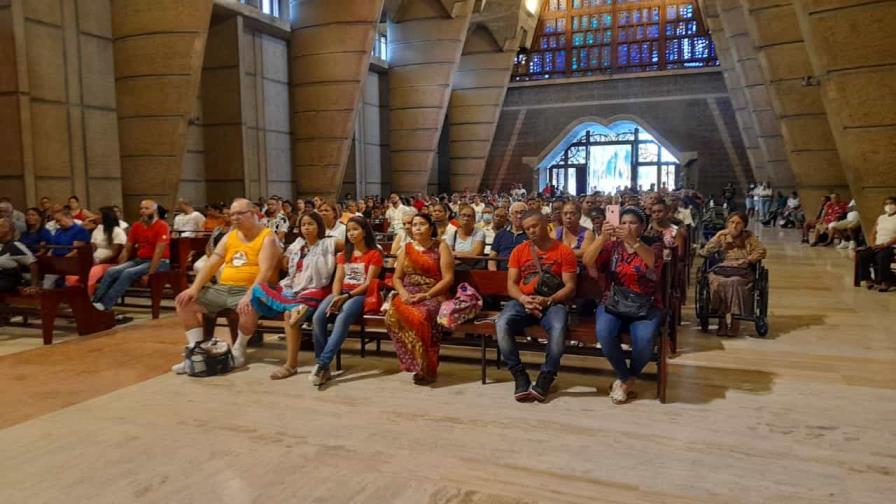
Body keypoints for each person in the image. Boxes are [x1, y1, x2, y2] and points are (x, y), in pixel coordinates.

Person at [172, 198, 281, 373]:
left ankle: (239, 347)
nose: (235, 218)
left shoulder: (267, 237)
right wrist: (194, 288)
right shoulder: (230, 236)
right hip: (223, 287)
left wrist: (249, 295)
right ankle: (196, 352)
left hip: (251, 288)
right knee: (184, 303)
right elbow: (212, 264)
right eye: (232, 214)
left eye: (240, 213)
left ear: (253, 214)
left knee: (248, 307)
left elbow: (265, 272)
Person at [583, 207, 664, 405]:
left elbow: (653, 263)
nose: (627, 226)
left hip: (645, 304)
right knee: (603, 332)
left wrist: (633, 242)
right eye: (624, 222)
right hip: (613, 301)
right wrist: (602, 237)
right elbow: (588, 261)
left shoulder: (654, 246)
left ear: (643, 227)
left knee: (644, 341)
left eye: (633, 223)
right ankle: (626, 378)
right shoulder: (612, 247)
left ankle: (627, 378)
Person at [494, 210, 577, 402]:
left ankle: (546, 376)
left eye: (535, 226)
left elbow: (571, 286)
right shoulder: (519, 250)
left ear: (545, 224)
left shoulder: (563, 251)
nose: (531, 230)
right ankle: (519, 375)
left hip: (552, 302)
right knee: (502, 322)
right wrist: (523, 299)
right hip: (524, 300)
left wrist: (550, 300)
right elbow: (511, 284)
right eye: (527, 228)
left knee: (558, 329)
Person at [257, 211, 338, 380]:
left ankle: (290, 365)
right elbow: (285, 259)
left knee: (290, 315)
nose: (307, 228)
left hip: (316, 290)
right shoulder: (298, 244)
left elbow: (354, 244)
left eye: (311, 224)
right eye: (304, 225)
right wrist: (285, 257)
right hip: (295, 287)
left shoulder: (328, 243)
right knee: (257, 291)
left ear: (319, 226)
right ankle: (291, 308)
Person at [310, 216, 383, 385]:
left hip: (359, 295)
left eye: (355, 229)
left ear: (365, 232)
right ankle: (323, 365)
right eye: (349, 230)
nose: (351, 233)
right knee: (318, 317)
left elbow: (368, 283)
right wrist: (336, 297)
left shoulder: (374, 253)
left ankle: (322, 363)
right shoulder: (344, 254)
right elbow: (338, 279)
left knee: (342, 318)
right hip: (341, 292)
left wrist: (346, 297)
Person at [385, 214, 454, 384]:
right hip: (408, 294)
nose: (416, 228)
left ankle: (427, 367)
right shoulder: (406, 249)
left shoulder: (441, 246)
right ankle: (415, 363)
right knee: (392, 316)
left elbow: (448, 279)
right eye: (414, 224)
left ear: (430, 228)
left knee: (421, 317)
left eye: (421, 224)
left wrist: (426, 295)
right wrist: (403, 293)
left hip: (433, 294)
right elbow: (397, 278)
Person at [90, 200, 170, 311]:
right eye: (141, 208)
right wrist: (120, 265)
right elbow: (127, 249)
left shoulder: (162, 226)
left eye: (147, 209)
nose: (143, 211)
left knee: (128, 273)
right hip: (140, 260)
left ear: (154, 211)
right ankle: (95, 303)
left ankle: (105, 305)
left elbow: (158, 253)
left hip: (159, 262)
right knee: (112, 271)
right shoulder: (137, 226)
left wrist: (150, 274)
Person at [699, 212, 767, 337]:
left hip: (743, 271)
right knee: (717, 282)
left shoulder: (749, 237)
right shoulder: (722, 236)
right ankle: (722, 321)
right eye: (731, 222)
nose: (734, 226)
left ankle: (735, 321)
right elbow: (705, 252)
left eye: (738, 223)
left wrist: (747, 260)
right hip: (722, 269)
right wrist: (718, 235)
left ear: (744, 225)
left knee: (734, 282)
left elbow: (761, 251)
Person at [80, 207, 127, 296]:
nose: (95, 217)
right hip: (95, 260)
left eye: (98, 215)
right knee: (73, 274)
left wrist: (98, 261)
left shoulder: (117, 231)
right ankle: (76, 300)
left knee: (92, 273)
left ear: (106, 216)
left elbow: (115, 253)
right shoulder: (98, 229)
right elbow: (92, 248)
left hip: (109, 262)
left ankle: (87, 300)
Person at [857, 197, 896, 292]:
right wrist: (872, 244)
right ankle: (868, 279)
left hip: (891, 246)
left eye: (892, 203)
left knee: (882, 256)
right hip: (877, 245)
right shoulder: (881, 217)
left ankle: (885, 282)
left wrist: (885, 244)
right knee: (863, 255)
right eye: (886, 204)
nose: (889, 206)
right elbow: (873, 233)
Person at [43, 209, 90, 288]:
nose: (58, 223)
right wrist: (49, 259)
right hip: (56, 262)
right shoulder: (58, 231)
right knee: (47, 280)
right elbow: (53, 247)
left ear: (68, 217)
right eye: (56, 221)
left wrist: (63, 261)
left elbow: (77, 251)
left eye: (59, 220)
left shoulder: (80, 230)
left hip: (70, 262)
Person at [0, 217, 39, 294]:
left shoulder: (15, 246)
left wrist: (33, 285)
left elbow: (33, 265)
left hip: (8, 279)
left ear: (8, 230)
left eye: (0, 226)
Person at [489, 202, 528, 271]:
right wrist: (494, 273)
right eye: (516, 213)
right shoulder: (500, 234)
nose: (519, 216)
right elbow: (492, 257)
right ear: (510, 216)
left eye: (522, 213)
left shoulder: (531, 234)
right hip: (502, 272)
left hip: (524, 273)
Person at [444, 204, 485, 269]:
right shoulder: (452, 233)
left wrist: (455, 255)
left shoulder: (479, 233)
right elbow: (447, 254)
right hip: (454, 267)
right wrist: (466, 255)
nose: (466, 218)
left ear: (474, 219)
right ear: (458, 218)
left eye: (469, 216)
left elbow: (474, 255)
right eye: (463, 215)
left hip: (473, 269)